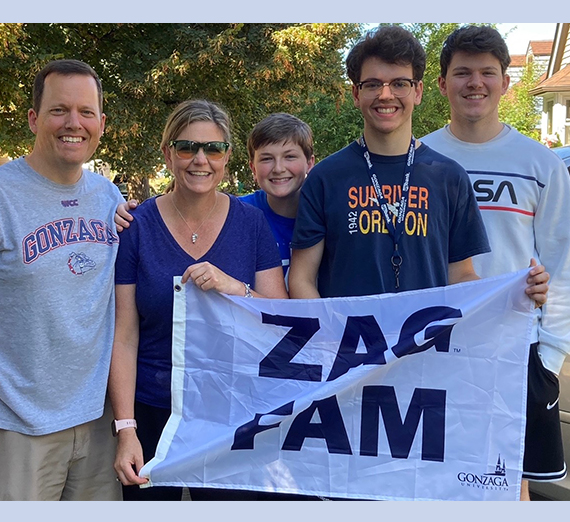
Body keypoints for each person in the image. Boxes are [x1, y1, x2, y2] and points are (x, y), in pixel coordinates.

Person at [109, 99, 288, 501]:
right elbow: (124, 335)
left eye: (214, 148)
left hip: (232, 412)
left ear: (228, 157)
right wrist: (126, 428)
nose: (200, 160)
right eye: (187, 147)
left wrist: (235, 288)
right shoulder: (136, 227)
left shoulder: (250, 224)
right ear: (168, 153)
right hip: (154, 411)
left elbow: (278, 319)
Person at [421, 24, 570, 501]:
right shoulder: (416, 157)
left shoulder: (541, 164)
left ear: (507, 82)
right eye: (462, 72)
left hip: (515, 348)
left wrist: (549, 357)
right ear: (443, 84)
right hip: (431, 346)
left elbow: (561, 262)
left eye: (487, 72)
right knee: (429, 478)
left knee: (510, 486)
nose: (475, 83)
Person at [0, 59, 124, 501]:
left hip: (97, 423)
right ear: (34, 118)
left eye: (86, 112)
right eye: (59, 110)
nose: (74, 123)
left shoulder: (109, 196)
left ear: (101, 123)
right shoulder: (4, 194)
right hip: (20, 429)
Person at [240, 113, 315, 283]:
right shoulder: (238, 214)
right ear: (253, 168)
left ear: (309, 163)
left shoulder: (326, 213)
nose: (279, 168)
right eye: (267, 159)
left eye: (290, 157)